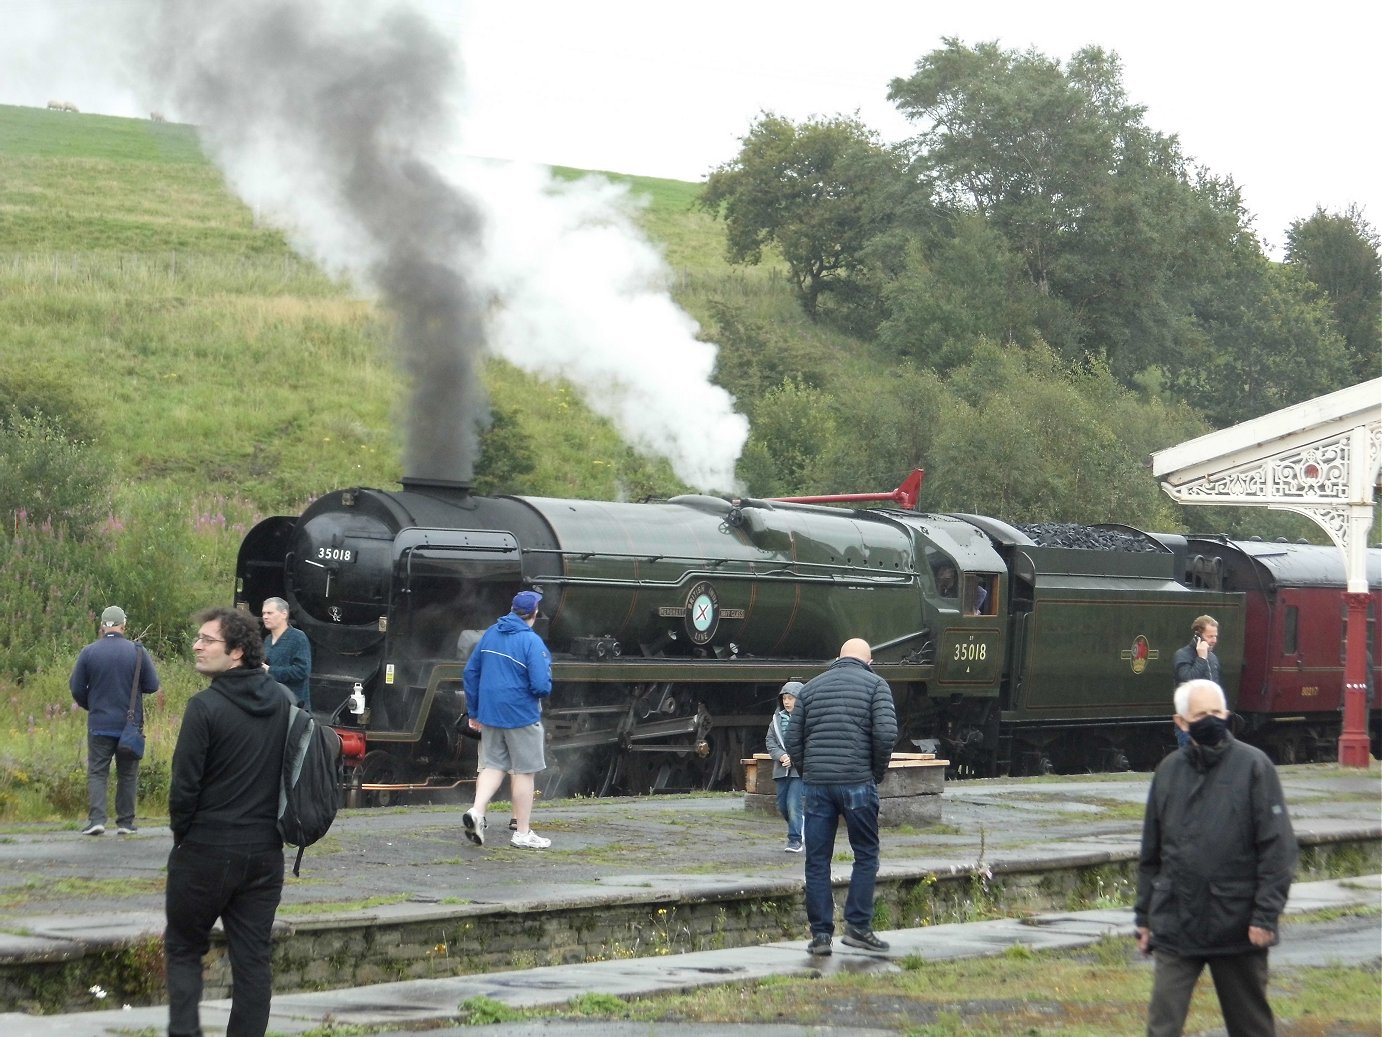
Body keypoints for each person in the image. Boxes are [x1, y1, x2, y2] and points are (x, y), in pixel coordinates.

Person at [1135, 679, 1297, 1037]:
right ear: (1181, 722)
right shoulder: (1168, 772)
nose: (1210, 720)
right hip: (1177, 922)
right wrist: (1144, 918)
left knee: (1251, 1027)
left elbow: (1278, 848)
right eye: (1200, 714)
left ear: (1226, 715)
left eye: (1215, 713)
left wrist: (1265, 915)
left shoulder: (1255, 767)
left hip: (1238, 926)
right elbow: (1151, 853)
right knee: (1161, 1027)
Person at [165, 606, 293, 1037]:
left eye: (207, 640)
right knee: (253, 957)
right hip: (264, 855)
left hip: (205, 848)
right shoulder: (282, 701)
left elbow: (184, 788)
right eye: (197, 639)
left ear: (236, 651)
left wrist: (184, 837)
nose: (197, 647)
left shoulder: (204, 708)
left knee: (184, 948)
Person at [783, 638, 898, 957]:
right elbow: (886, 735)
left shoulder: (811, 688)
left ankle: (821, 936)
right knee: (865, 853)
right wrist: (874, 773)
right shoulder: (877, 685)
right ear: (868, 661)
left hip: (817, 785)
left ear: (839, 658)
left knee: (817, 860)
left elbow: (794, 738)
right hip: (857, 782)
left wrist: (808, 773)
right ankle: (858, 927)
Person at [460, 589, 554, 849]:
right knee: (524, 772)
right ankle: (522, 833)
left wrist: (475, 711)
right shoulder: (531, 642)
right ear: (534, 614)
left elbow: (470, 673)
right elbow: (540, 685)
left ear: (512, 610)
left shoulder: (491, 633)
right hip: (521, 714)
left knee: (493, 766)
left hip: (489, 712)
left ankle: (477, 812)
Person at [69, 605, 160, 836]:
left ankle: (97, 820)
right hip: (130, 725)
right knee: (127, 774)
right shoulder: (138, 652)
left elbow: (76, 687)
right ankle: (125, 823)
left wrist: (92, 705)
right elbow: (152, 685)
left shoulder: (89, 652)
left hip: (99, 724)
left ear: (102, 626)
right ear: (123, 626)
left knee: (98, 772)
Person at [764, 681, 805, 853]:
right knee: (782, 805)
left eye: (791, 698)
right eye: (785, 698)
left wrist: (794, 759)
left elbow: (809, 743)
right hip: (781, 769)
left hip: (799, 771)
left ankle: (795, 840)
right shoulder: (776, 720)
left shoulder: (806, 721)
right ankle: (799, 825)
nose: (787, 702)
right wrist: (781, 755)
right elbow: (770, 741)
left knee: (793, 803)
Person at [1171, 616, 1221, 748]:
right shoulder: (1182, 655)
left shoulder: (1213, 658)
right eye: (1210, 636)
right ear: (1198, 635)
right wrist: (1201, 659)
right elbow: (1187, 680)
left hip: (1211, 722)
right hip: (1189, 723)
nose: (1214, 640)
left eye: (1215, 636)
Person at [261, 596, 312, 709]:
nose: (265, 617)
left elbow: (302, 671)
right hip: (271, 703)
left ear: (284, 614)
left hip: (294, 706)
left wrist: (270, 670)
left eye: (270, 613)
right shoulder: (267, 640)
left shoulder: (298, 638)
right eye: (264, 613)